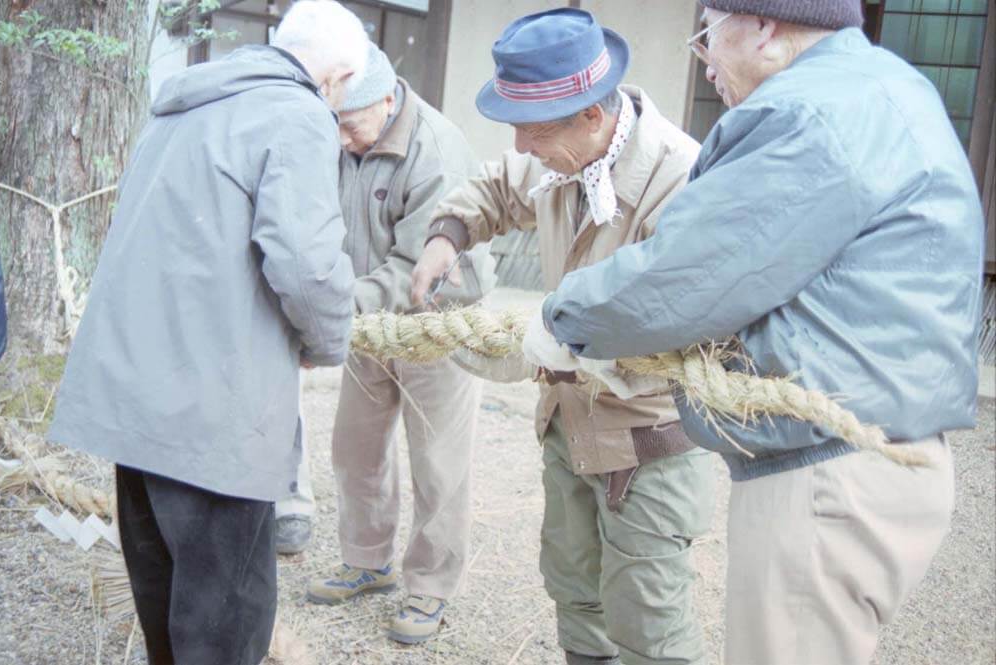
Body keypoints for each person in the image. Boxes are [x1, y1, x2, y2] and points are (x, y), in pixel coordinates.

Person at [538, 2, 985, 664]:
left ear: (765, 25)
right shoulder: (888, 87)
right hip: (880, 447)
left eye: (709, 33)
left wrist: (559, 319)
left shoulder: (803, 115)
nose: (706, 58)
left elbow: (687, 275)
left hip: (825, 472)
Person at [47, 2, 369, 663]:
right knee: (226, 622)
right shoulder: (297, 113)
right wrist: (326, 341)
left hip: (135, 402)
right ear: (334, 77)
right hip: (212, 409)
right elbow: (307, 267)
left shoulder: (183, 106)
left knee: (165, 604)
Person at [410, 9, 716, 665]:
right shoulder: (562, 159)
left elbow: (677, 310)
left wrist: (556, 337)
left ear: (591, 115)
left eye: (533, 129)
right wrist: (447, 236)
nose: (521, 145)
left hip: (646, 439)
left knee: (648, 614)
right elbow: (497, 187)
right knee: (573, 583)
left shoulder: (679, 176)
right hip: (567, 421)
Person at [304, 43, 496, 645]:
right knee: (355, 448)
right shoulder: (342, 139)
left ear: (388, 102)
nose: (340, 138)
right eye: (333, 122)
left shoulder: (435, 151)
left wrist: (336, 305)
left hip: (435, 325)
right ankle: (368, 560)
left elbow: (417, 267)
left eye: (350, 123)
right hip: (368, 324)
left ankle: (430, 588)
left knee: (438, 465)